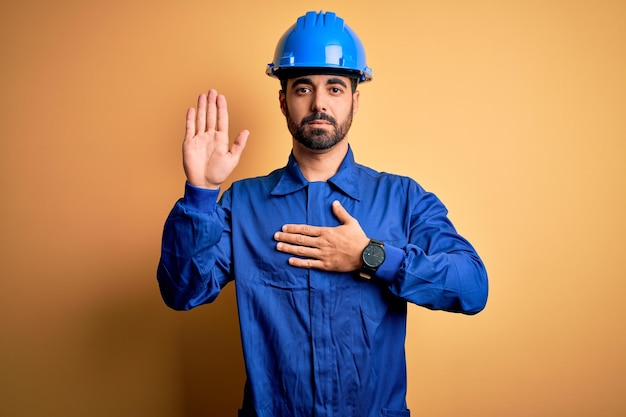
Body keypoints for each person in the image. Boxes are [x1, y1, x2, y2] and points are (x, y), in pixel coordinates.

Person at [157, 10, 488, 417]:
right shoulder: (243, 204)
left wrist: (372, 256)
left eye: (334, 88)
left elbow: (472, 288)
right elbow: (182, 292)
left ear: (354, 99)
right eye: (302, 89)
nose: (318, 104)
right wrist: (202, 193)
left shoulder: (403, 198)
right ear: (283, 100)